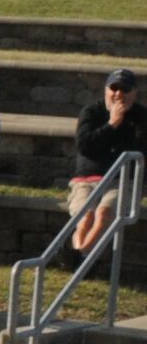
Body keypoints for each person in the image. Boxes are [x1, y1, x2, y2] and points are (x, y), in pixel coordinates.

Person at [66, 68, 146, 262]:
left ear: (134, 93)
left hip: (122, 180)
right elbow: (85, 145)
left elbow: (140, 150)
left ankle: (80, 257)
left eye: (125, 89)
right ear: (106, 90)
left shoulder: (142, 117)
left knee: (103, 213)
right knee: (86, 217)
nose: (118, 94)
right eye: (114, 88)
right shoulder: (91, 112)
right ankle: (78, 255)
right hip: (88, 179)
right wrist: (112, 125)